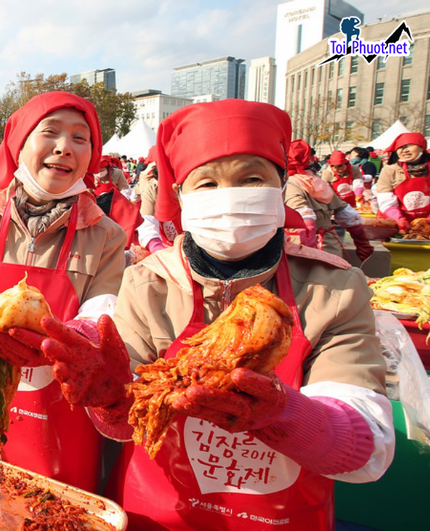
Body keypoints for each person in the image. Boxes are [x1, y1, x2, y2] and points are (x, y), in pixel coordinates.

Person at [50, 100, 393, 530]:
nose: (229, 196)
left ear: (280, 183)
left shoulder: (335, 289)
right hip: (157, 513)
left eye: (251, 178)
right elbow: (126, 423)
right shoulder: (148, 283)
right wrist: (110, 401)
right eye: (207, 183)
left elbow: (365, 449)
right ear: (179, 196)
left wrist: (281, 413)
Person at [0, 92, 128, 492]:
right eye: (50, 132)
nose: (65, 147)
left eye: (80, 138)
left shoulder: (106, 235)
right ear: (20, 144)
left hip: (59, 419)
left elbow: (104, 313)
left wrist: (69, 342)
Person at [285, 140, 373, 262]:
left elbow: (304, 219)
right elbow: (347, 214)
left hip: (300, 247)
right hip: (330, 245)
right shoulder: (316, 180)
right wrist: (362, 243)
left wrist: (309, 251)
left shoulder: (290, 183)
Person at [375, 132, 429, 232]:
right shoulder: (390, 170)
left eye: (409, 146)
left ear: (422, 147)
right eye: (401, 147)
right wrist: (399, 219)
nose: (404, 150)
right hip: (396, 225)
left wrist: (427, 222)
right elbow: (385, 200)